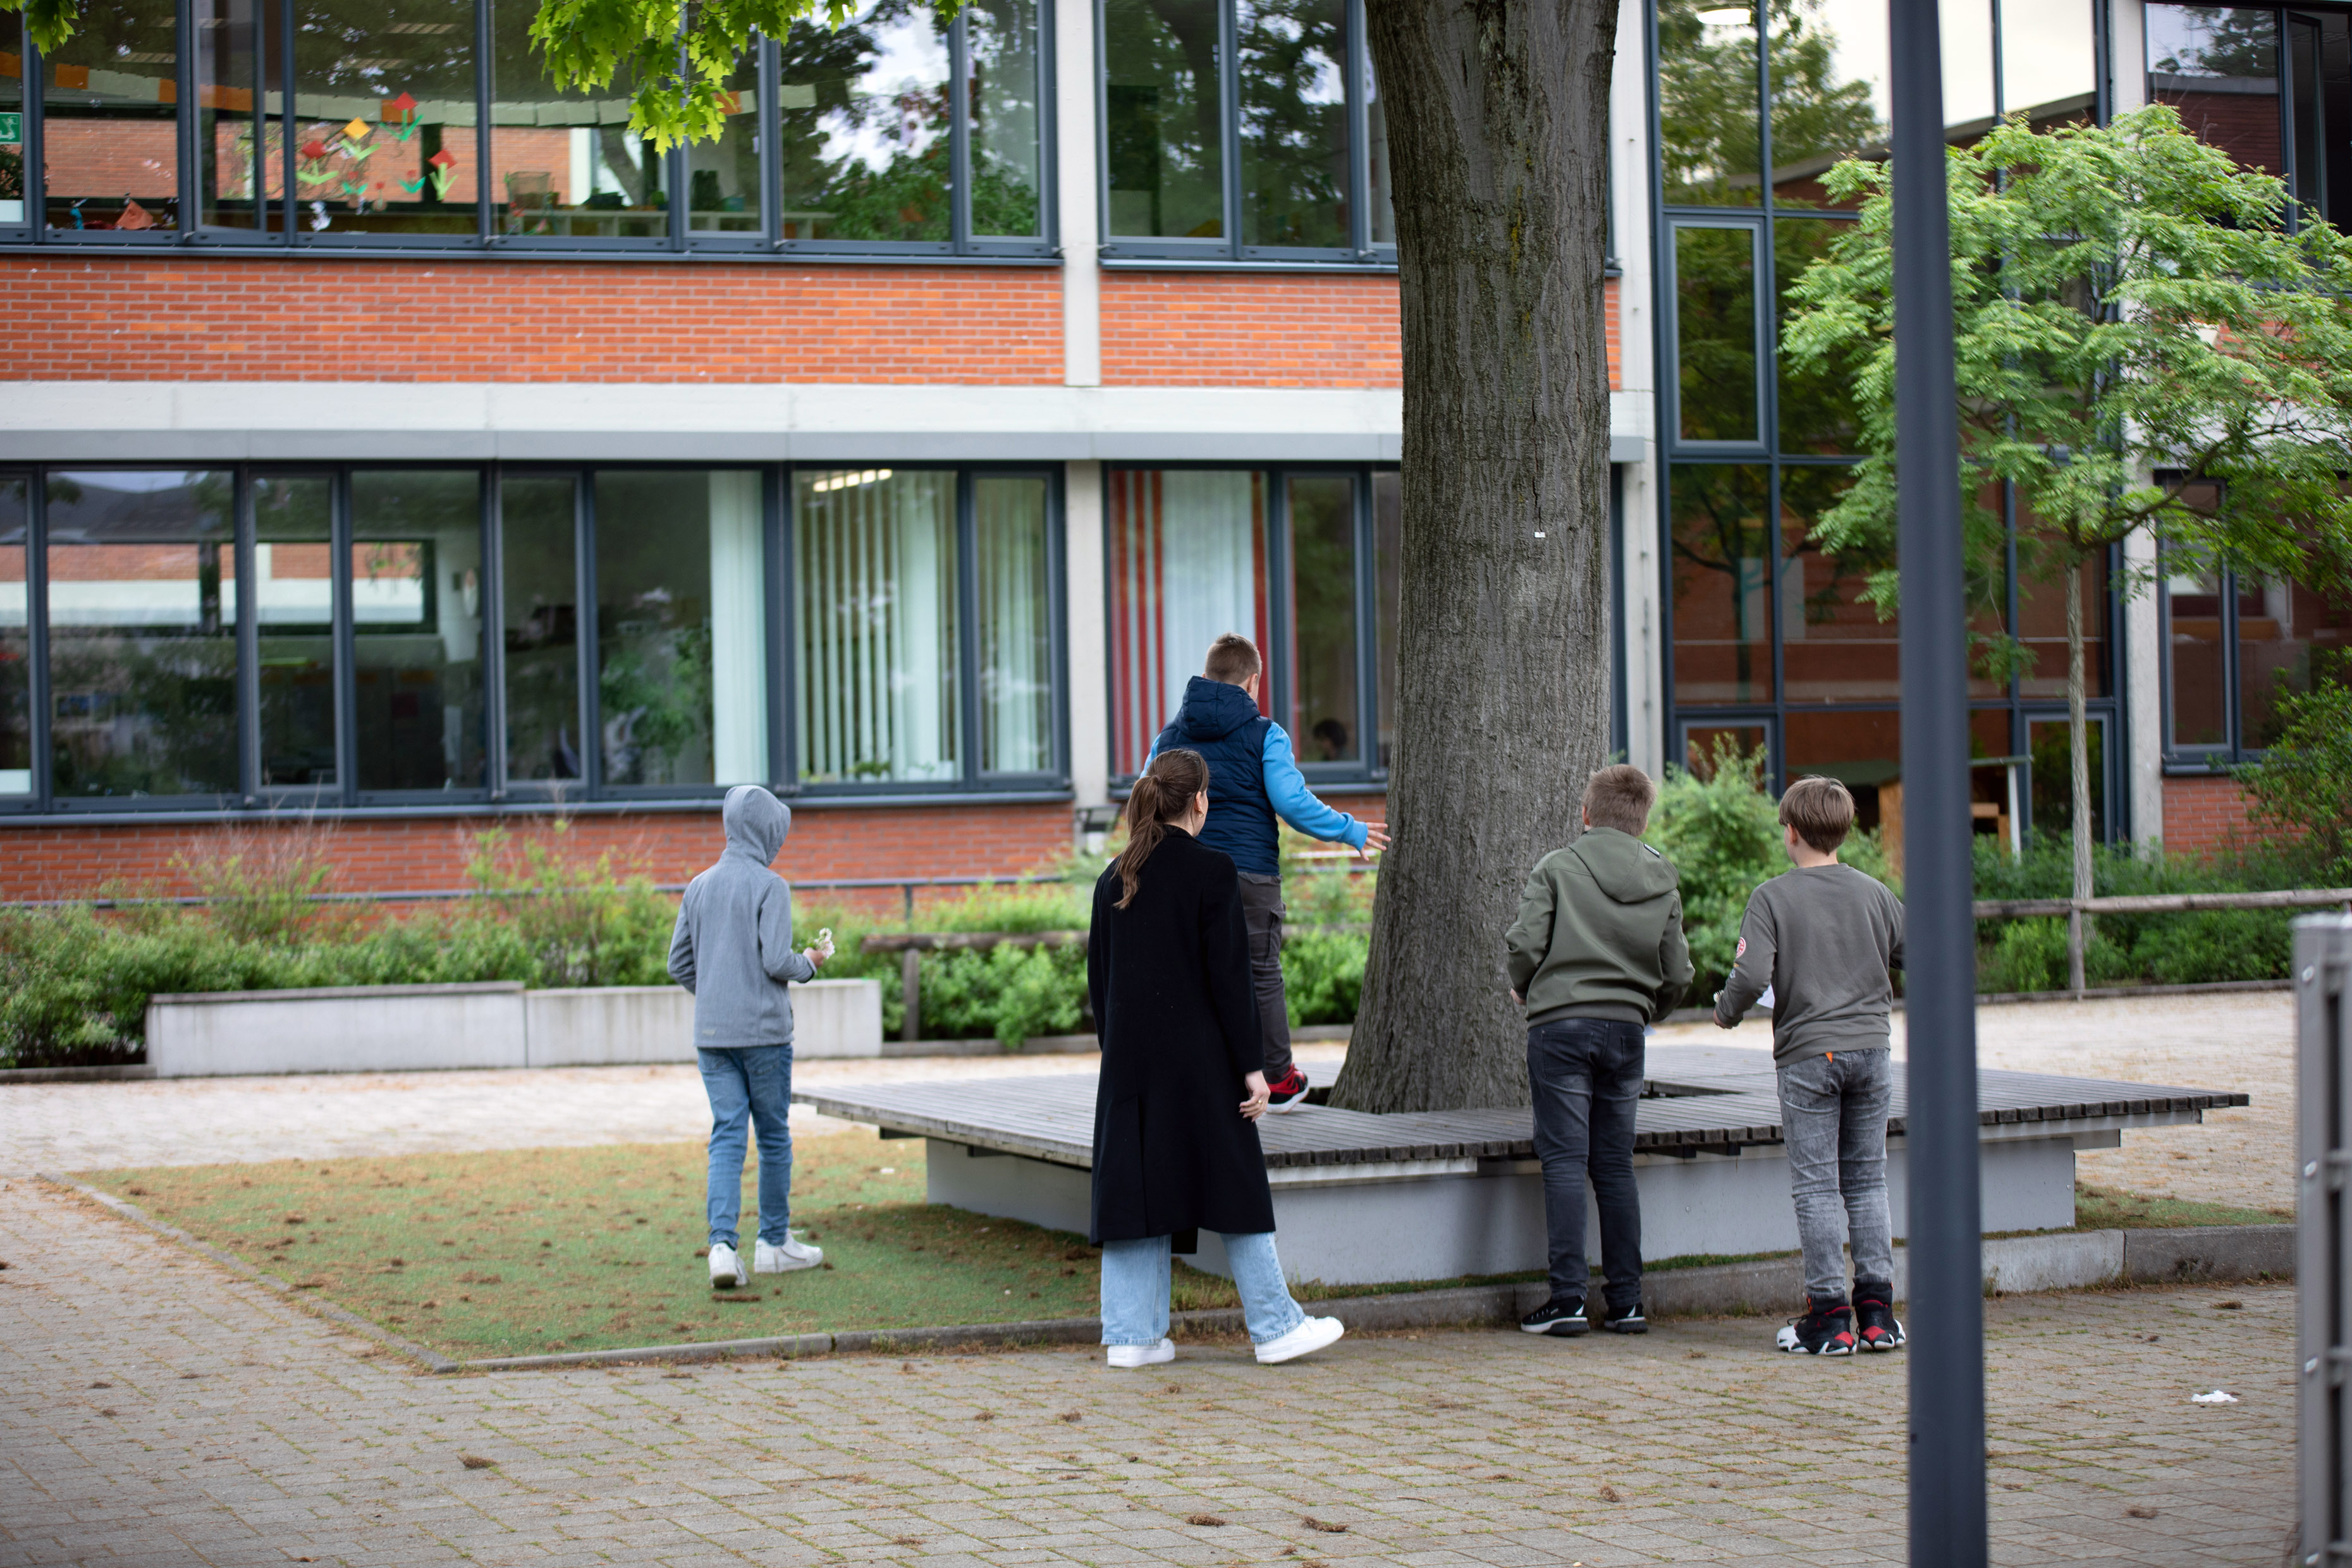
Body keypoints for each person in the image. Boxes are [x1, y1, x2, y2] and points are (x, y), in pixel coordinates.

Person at [1087, 747, 1346, 1368]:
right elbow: (1232, 981)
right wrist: (1255, 1070)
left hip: (1130, 1064)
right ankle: (1276, 1326)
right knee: (1235, 1185)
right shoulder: (1213, 870)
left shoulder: (1113, 877)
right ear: (1201, 800)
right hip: (1202, 1064)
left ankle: (1131, 1335)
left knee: (1137, 1189)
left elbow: (1102, 981)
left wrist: (1119, 1053)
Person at [1148, 634, 1393, 1112]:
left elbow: (1146, 794)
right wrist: (1351, 830)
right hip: (1248, 874)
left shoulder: (1170, 735)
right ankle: (1278, 1077)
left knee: (1190, 968)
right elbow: (1290, 802)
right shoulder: (1266, 733)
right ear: (1253, 681)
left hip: (1180, 874)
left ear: (1206, 674)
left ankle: (1200, 1070)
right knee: (1259, 972)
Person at [1713, 775, 1908, 1356]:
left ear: (1791, 832)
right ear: (1844, 830)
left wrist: (1726, 1013)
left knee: (1817, 1187)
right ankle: (1877, 1313)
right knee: (1868, 1178)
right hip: (1872, 1049)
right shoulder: (1875, 893)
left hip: (1807, 1055)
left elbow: (1750, 977)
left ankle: (1828, 1317)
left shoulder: (1772, 898)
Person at [1503, 764, 1692, 1339]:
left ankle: (1566, 1299)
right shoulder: (1662, 877)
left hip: (1561, 1026)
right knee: (1614, 1164)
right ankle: (1628, 1302)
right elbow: (1677, 972)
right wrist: (1646, 1009)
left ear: (1587, 813)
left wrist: (1524, 983)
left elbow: (1526, 942)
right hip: (1627, 1031)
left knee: (1563, 1160)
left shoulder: (1557, 867)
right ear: (1643, 819)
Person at [668, 784, 832, 1290]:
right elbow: (775, 962)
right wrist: (812, 963)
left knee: (727, 1136)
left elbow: (679, 963)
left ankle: (721, 1247)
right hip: (763, 1035)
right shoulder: (770, 885)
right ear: (768, 832)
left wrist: (717, 992)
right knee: (774, 1136)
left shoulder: (697, 886)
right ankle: (774, 1244)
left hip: (712, 1035)